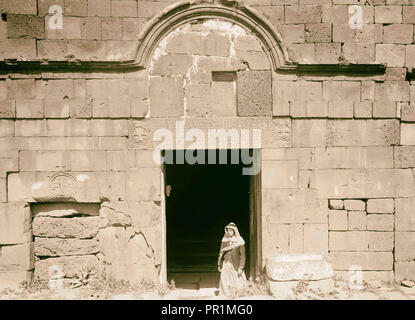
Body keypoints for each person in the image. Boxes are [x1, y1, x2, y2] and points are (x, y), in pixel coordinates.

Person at [217, 222, 247, 297]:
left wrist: (241, 267)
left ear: (234, 231)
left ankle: (238, 294)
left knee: (238, 280)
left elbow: (243, 255)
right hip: (226, 263)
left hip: (236, 264)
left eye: (231, 230)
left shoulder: (240, 240)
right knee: (225, 280)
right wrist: (219, 264)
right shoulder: (224, 240)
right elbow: (221, 253)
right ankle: (227, 294)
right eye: (228, 230)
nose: (229, 232)